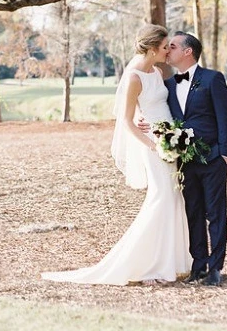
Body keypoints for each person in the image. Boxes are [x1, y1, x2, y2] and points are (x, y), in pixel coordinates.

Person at [41, 24, 191, 285]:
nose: (168, 51)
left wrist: (173, 136)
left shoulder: (156, 72)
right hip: (153, 146)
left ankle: (173, 261)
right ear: (153, 48)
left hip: (170, 139)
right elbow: (126, 121)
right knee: (161, 198)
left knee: (174, 198)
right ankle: (148, 266)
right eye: (165, 46)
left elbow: (159, 107)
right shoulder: (134, 77)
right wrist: (153, 144)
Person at [151, 31, 227, 287]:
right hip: (184, 161)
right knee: (193, 213)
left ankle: (215, 268)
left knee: (216, 213)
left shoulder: (212, 79)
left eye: (173, 46)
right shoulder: (167, 85)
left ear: (188, 51)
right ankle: (198, 265)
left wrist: (225, 153)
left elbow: (224, 116)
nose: (168, 51)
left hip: (212, 157)